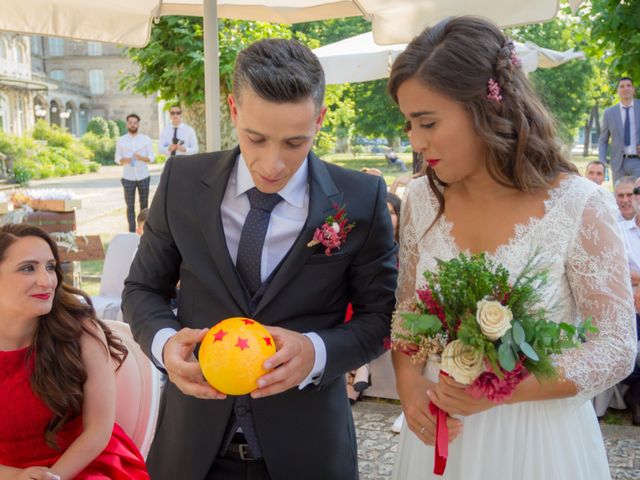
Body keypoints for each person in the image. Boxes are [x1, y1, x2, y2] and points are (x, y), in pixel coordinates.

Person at [122, 38, 397, 480]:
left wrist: (316, 352)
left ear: (320, 119)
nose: (273, 164)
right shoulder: (182, 182)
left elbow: (381, 316)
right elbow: (141, 290)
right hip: (191, 452)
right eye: (256, 138)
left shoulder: (360, 199)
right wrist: (165, 344)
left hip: (308, 451)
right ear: (233, 109)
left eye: (295, 142)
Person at [388, 16, 636, 480]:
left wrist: (505, 388)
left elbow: (617, 346)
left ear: (486, 107)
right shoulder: (421, 199)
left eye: (428, 122)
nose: (417, 143)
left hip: (538, 444)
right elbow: (407, 311)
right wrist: (406, 382)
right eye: (409, 126)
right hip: (441, 439)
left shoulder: (579, 204)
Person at [0, 224, 149, 479]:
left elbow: (98, 431)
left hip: (84, 464)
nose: (47, 281)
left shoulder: (80, 331)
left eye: (50, 267)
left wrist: (51, 477)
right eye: (28, 268)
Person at [115, 113, 155, 233]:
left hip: (143, 176)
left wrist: (141, 157)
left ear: (138, 124)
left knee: (144, 206)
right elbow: (117, 158)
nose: (133, 125)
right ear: (127, 124)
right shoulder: (121, 140)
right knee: (130, 207)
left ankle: (145, 231)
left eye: (135, 122)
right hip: (128, 177)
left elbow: (152, 158)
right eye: (130, 122)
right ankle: (132, 232)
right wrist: (124, 160)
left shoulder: (146, 139)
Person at [599, 77, 640, 184]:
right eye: (622, 86)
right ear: (618, 91)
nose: (625, 89)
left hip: (637, 162)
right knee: (620, 197)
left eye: (628, 86)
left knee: (638, 196)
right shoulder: (609, 113)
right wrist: (602, 161)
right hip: (617, 163)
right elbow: (603, 140)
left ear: (633, 89)